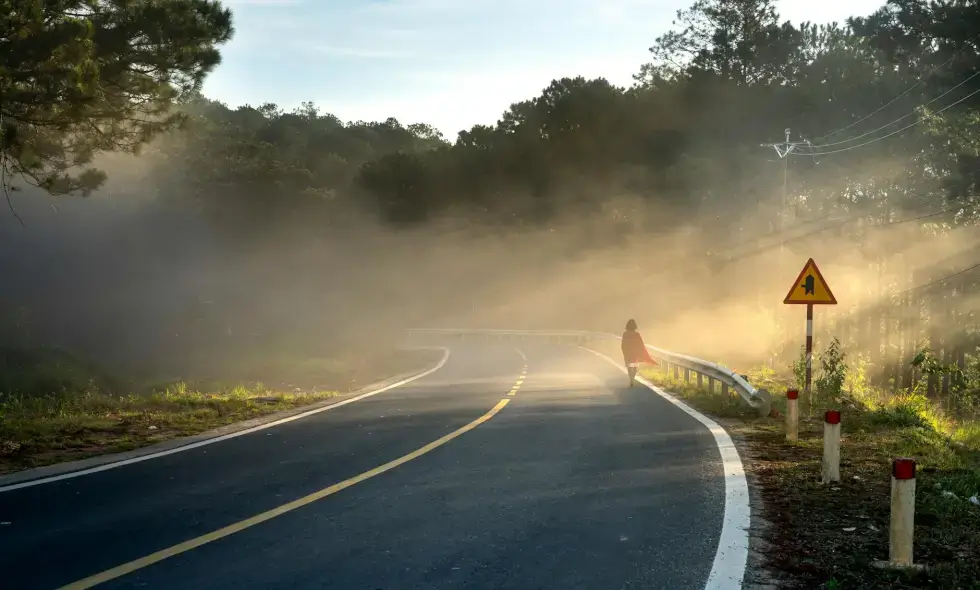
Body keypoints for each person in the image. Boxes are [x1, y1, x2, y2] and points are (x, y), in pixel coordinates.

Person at [621, 319, 655, 387]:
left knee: (629, 367)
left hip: (627, 353)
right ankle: (632, 378)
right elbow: (641, 344)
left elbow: (623, 344)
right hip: (635, 353)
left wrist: (624, 352)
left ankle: (631, 379)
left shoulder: (625, 334)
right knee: (635, 367)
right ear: (635, 326)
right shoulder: (637, 334)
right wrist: (641, 352)